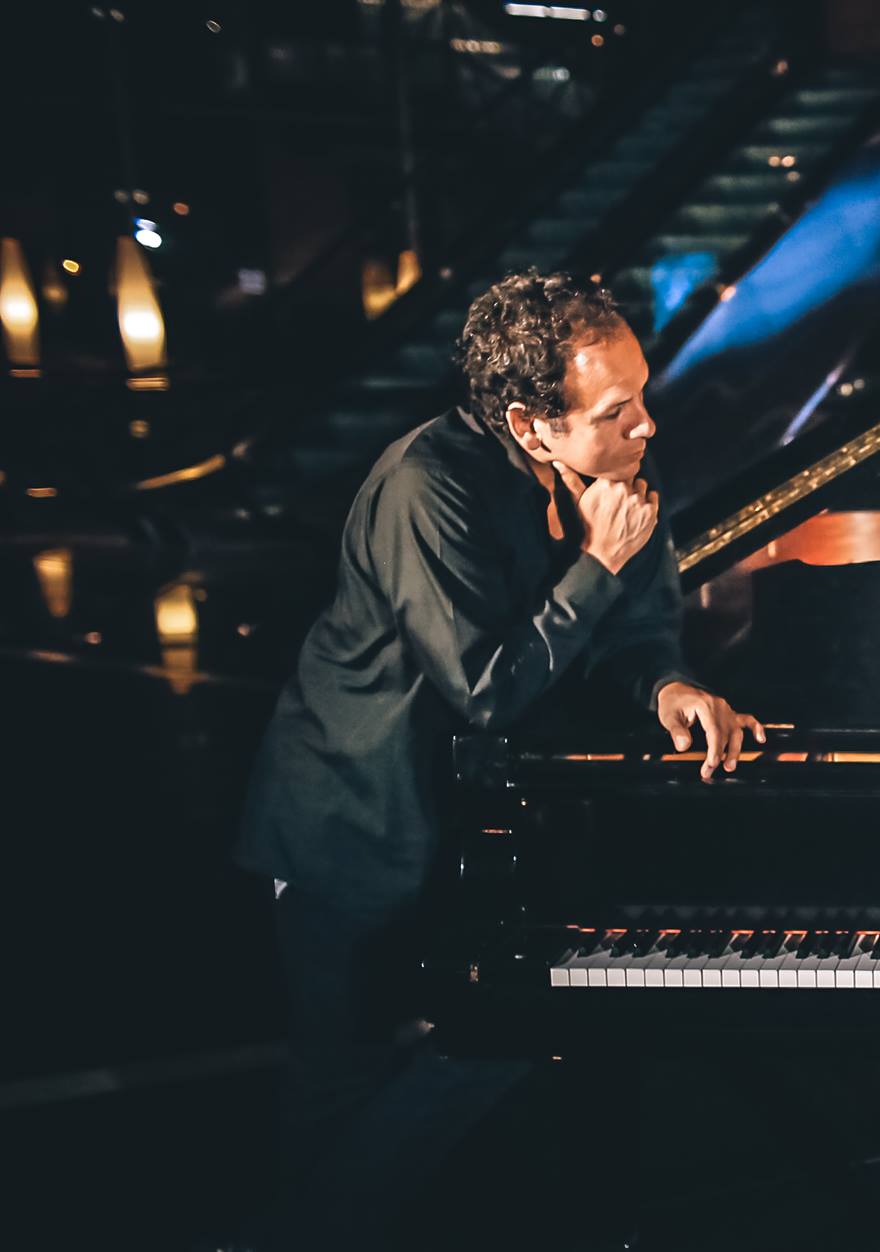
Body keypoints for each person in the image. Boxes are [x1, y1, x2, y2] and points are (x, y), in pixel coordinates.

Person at [237, 270, 763, 1248]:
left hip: (489, 821)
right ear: (529, 425)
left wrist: (665, 684)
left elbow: (635, 631)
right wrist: (596, 565)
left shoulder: (615, 469)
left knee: (504, 1040)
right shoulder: (425, 487)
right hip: (358, 813)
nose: (645, 425)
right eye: (615, 411)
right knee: (347, 1072)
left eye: (642, 394)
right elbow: (485, 688)